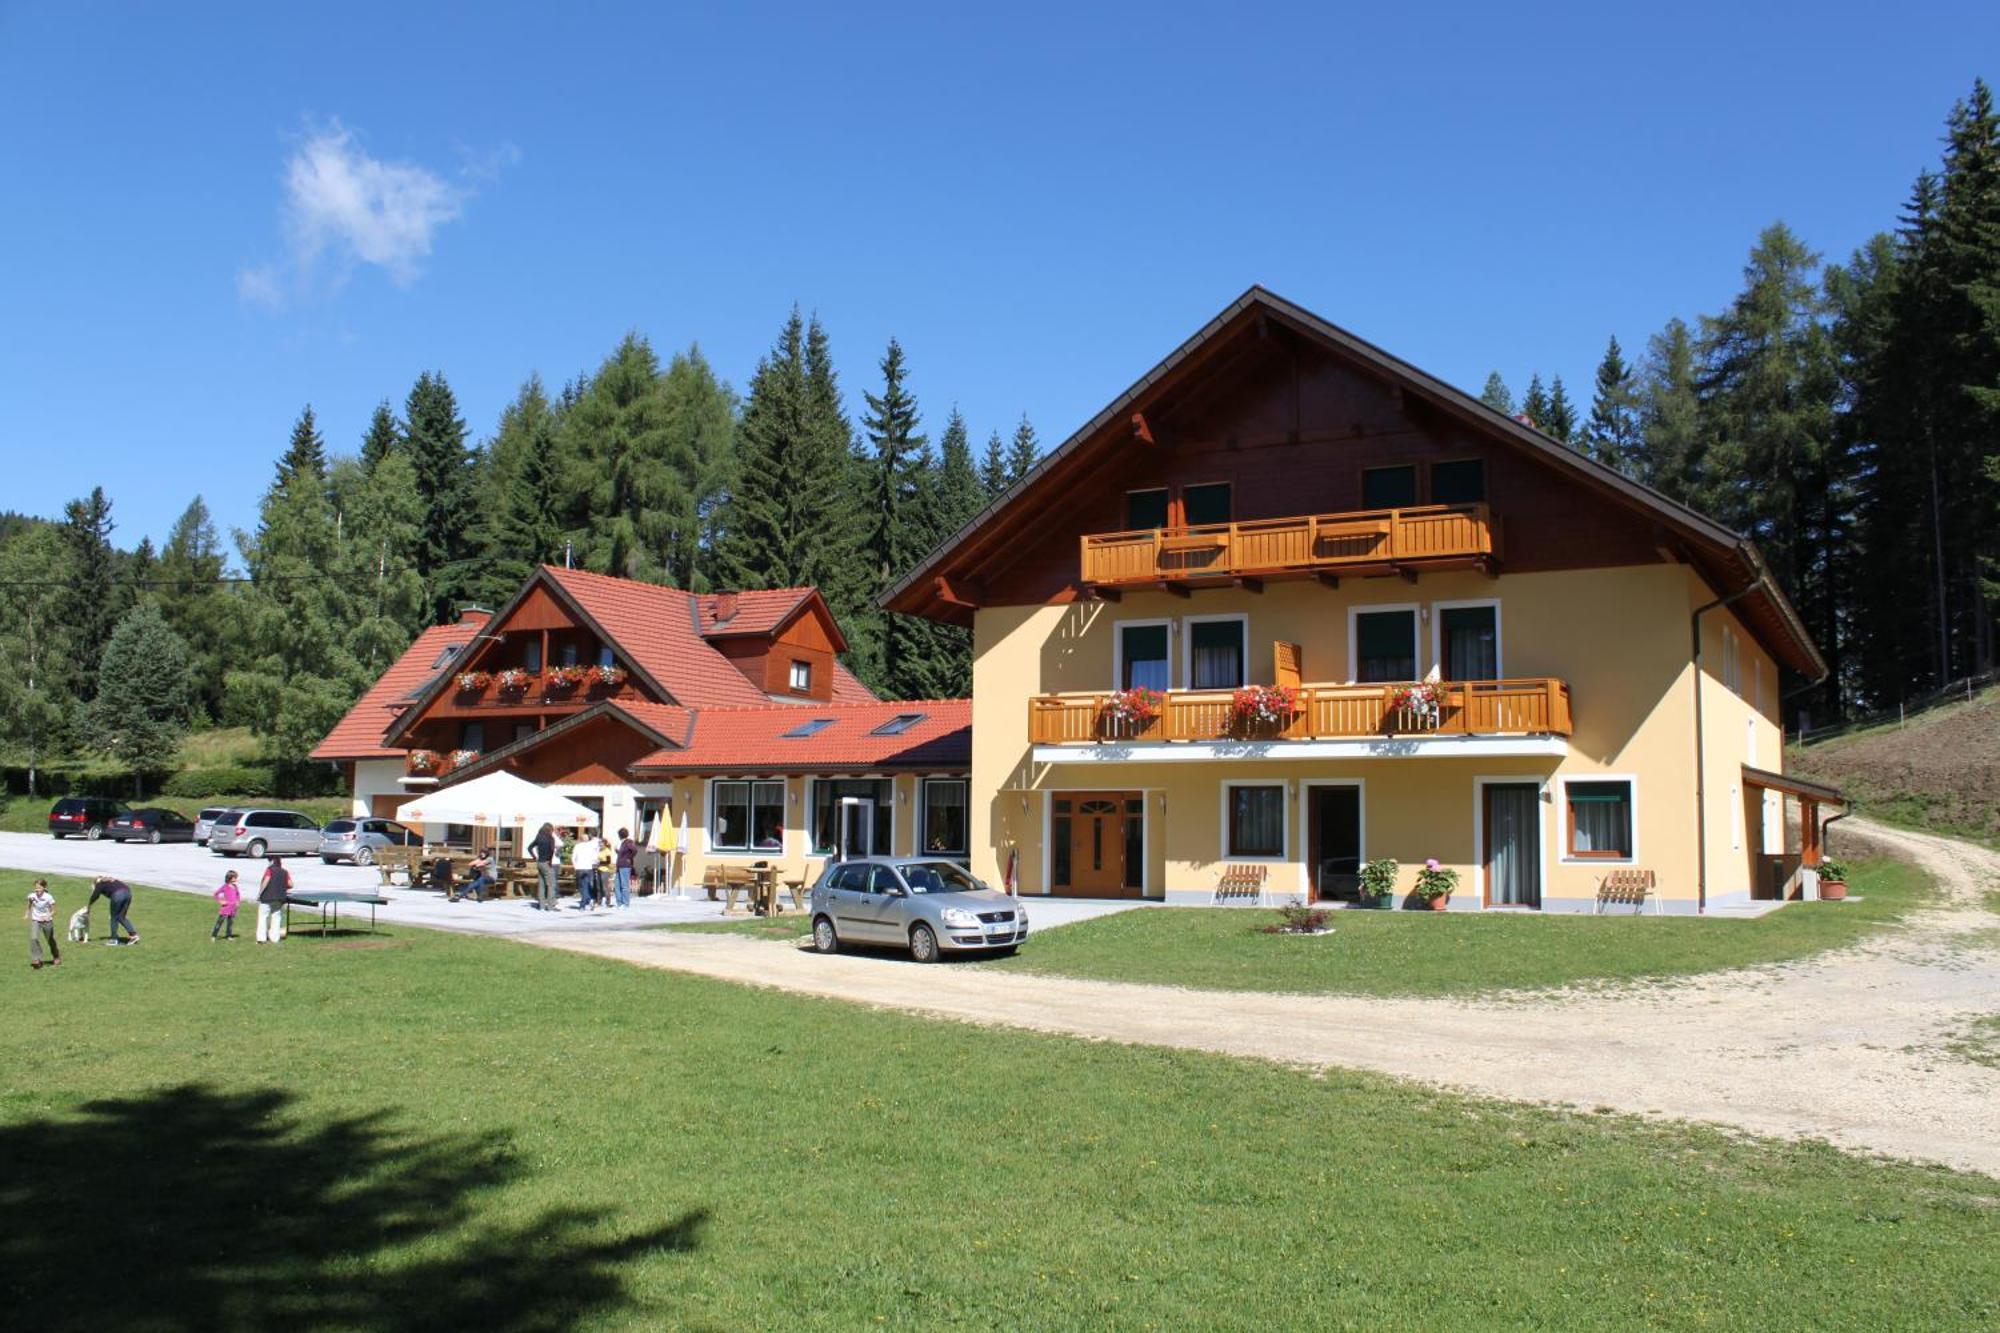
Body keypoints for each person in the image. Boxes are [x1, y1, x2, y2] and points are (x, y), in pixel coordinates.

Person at [89, 877, 139, 946]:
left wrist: (89, 904)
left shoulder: (100, 883)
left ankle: (113, 940)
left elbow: (95, 895)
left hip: (118, 895)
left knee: (113, 917)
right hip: (128, 894)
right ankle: (134, 935)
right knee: (121, 917)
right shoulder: (110, 881)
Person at [256, 855, 291, 944]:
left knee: (263, 917)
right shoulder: (285, 872)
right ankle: (275, 938)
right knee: (276, 917)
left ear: (272, 862)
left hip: (267, 897)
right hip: (280, 898)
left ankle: (261, 939)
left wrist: (260, 893)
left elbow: (266, 881)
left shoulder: (269, 870)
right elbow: (290, 884)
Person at [26, 878, 59, 969]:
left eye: (39, 888)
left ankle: (56, 956)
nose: (37, 890)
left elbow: (54, 911)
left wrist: (48, 916)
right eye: (36, 888)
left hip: (47, 921)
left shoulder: (49, 897)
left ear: (44, 888)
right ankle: (37, 959)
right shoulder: (31, 896)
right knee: (33, 938)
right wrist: (27, 913)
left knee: (50, 940)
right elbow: (29, 905)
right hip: (35, 920)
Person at [529, 822, 558, 911]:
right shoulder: (550, 838)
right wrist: (550, 860)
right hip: (547, 863)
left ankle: (541, 906)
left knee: (541, 885)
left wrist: (534, 857)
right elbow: (552, 850)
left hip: (539, 862)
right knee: (551, 885)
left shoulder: (539, 837)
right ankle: (550, 906)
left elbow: (529, 848)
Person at [572, 827, 600, 910]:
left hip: (579, 868)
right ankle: (589, 899)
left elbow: (573, 858)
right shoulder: (590, 846)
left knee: (581, 886)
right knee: (586, 885)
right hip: (588, 867)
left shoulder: (577, 846)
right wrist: (594, 863)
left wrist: (575, 866)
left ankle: (583, 904)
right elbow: (594, 858)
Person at [212, 870, 241, 941]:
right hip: (226, 908)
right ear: (229, 878)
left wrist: (238, 902)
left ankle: (228, 936)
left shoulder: (235, 886)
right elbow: (216, 894)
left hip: (233, 909)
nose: (236, 879)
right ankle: (214, 936)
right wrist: (220, 901)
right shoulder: (225, 887)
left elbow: (238, 894)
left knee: (230, 923)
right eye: (234, 877)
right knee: (220, 922)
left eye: (236, 877)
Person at [614, 827, 637, 908]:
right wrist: (617, 851)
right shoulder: (621, 842)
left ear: (620, 835)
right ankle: (619, 903)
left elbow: (634, 850)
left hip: (625, 866)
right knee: (617, 885)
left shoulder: (628, 842)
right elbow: (622, 853)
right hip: (619, 865)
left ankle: (626, 904)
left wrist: (629, 858)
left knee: (624, 885)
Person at [596, 836, 615, 912]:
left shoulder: (607, 851)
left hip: (605, 870)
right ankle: (599, 902)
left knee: (605, 887)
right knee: (598, 887)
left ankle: (608, 902)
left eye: (601, 843)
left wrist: (599, 863)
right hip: (599, 870)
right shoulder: (600, 851)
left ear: (604, 844)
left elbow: (608, 862)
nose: (600, 844)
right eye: (599, 843)